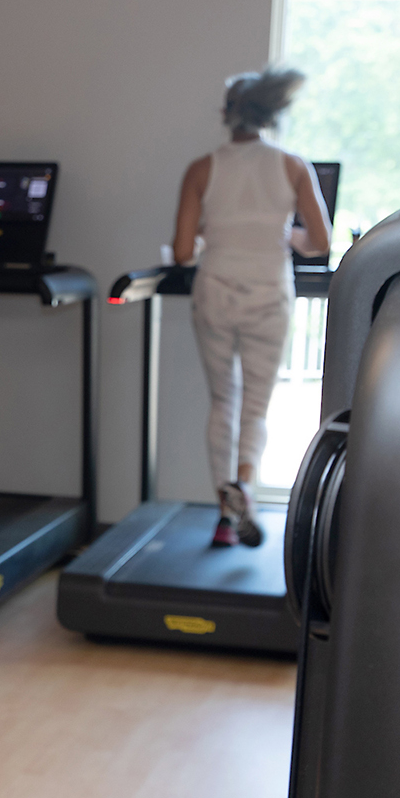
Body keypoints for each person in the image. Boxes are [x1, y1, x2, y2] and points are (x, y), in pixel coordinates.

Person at [171, 66, 329, 548]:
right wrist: (284, 234)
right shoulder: (292, 166)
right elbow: (319, 242)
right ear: (270, 113)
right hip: (268, 293)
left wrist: (213, 236)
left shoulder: (202, 168)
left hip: (216, 291)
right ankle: (244, 484)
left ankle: (225, 515)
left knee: (224, 400)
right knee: (256, 405)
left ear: (227, 113)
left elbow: (182, 252)